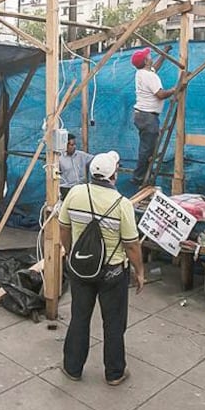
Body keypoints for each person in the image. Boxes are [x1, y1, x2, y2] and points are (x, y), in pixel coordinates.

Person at [58, 150, 145, 385]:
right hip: (112, 273)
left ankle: (72, 368)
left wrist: (70, 253)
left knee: (79, 317)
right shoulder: (122, 205)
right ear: (113, 175)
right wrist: (139, 271)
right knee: (114, 323)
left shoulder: (75, 194)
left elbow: (63, 228)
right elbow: (132, 245)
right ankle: (115, 373)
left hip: (80, 269)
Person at [130, 47, 179, 188]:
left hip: (142, 115)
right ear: (146, 61)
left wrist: (164, 55)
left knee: (148, 148)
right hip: (147, 117)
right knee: (147, 150)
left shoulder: (141, 73)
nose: (151, 57)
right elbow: (160, 94)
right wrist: (174, 90)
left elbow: (154, 68)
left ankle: (143, 176)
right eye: (149, 56)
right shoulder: (149, 77)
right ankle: (139, 178)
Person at [58, 134, 93, 199]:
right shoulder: (59, 158)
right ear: (65, 145)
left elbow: (95, 159)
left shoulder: (81, 155)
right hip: (66, 189)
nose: (74, 146)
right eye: (72, 145)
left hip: (81, 188)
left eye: (75, 144)